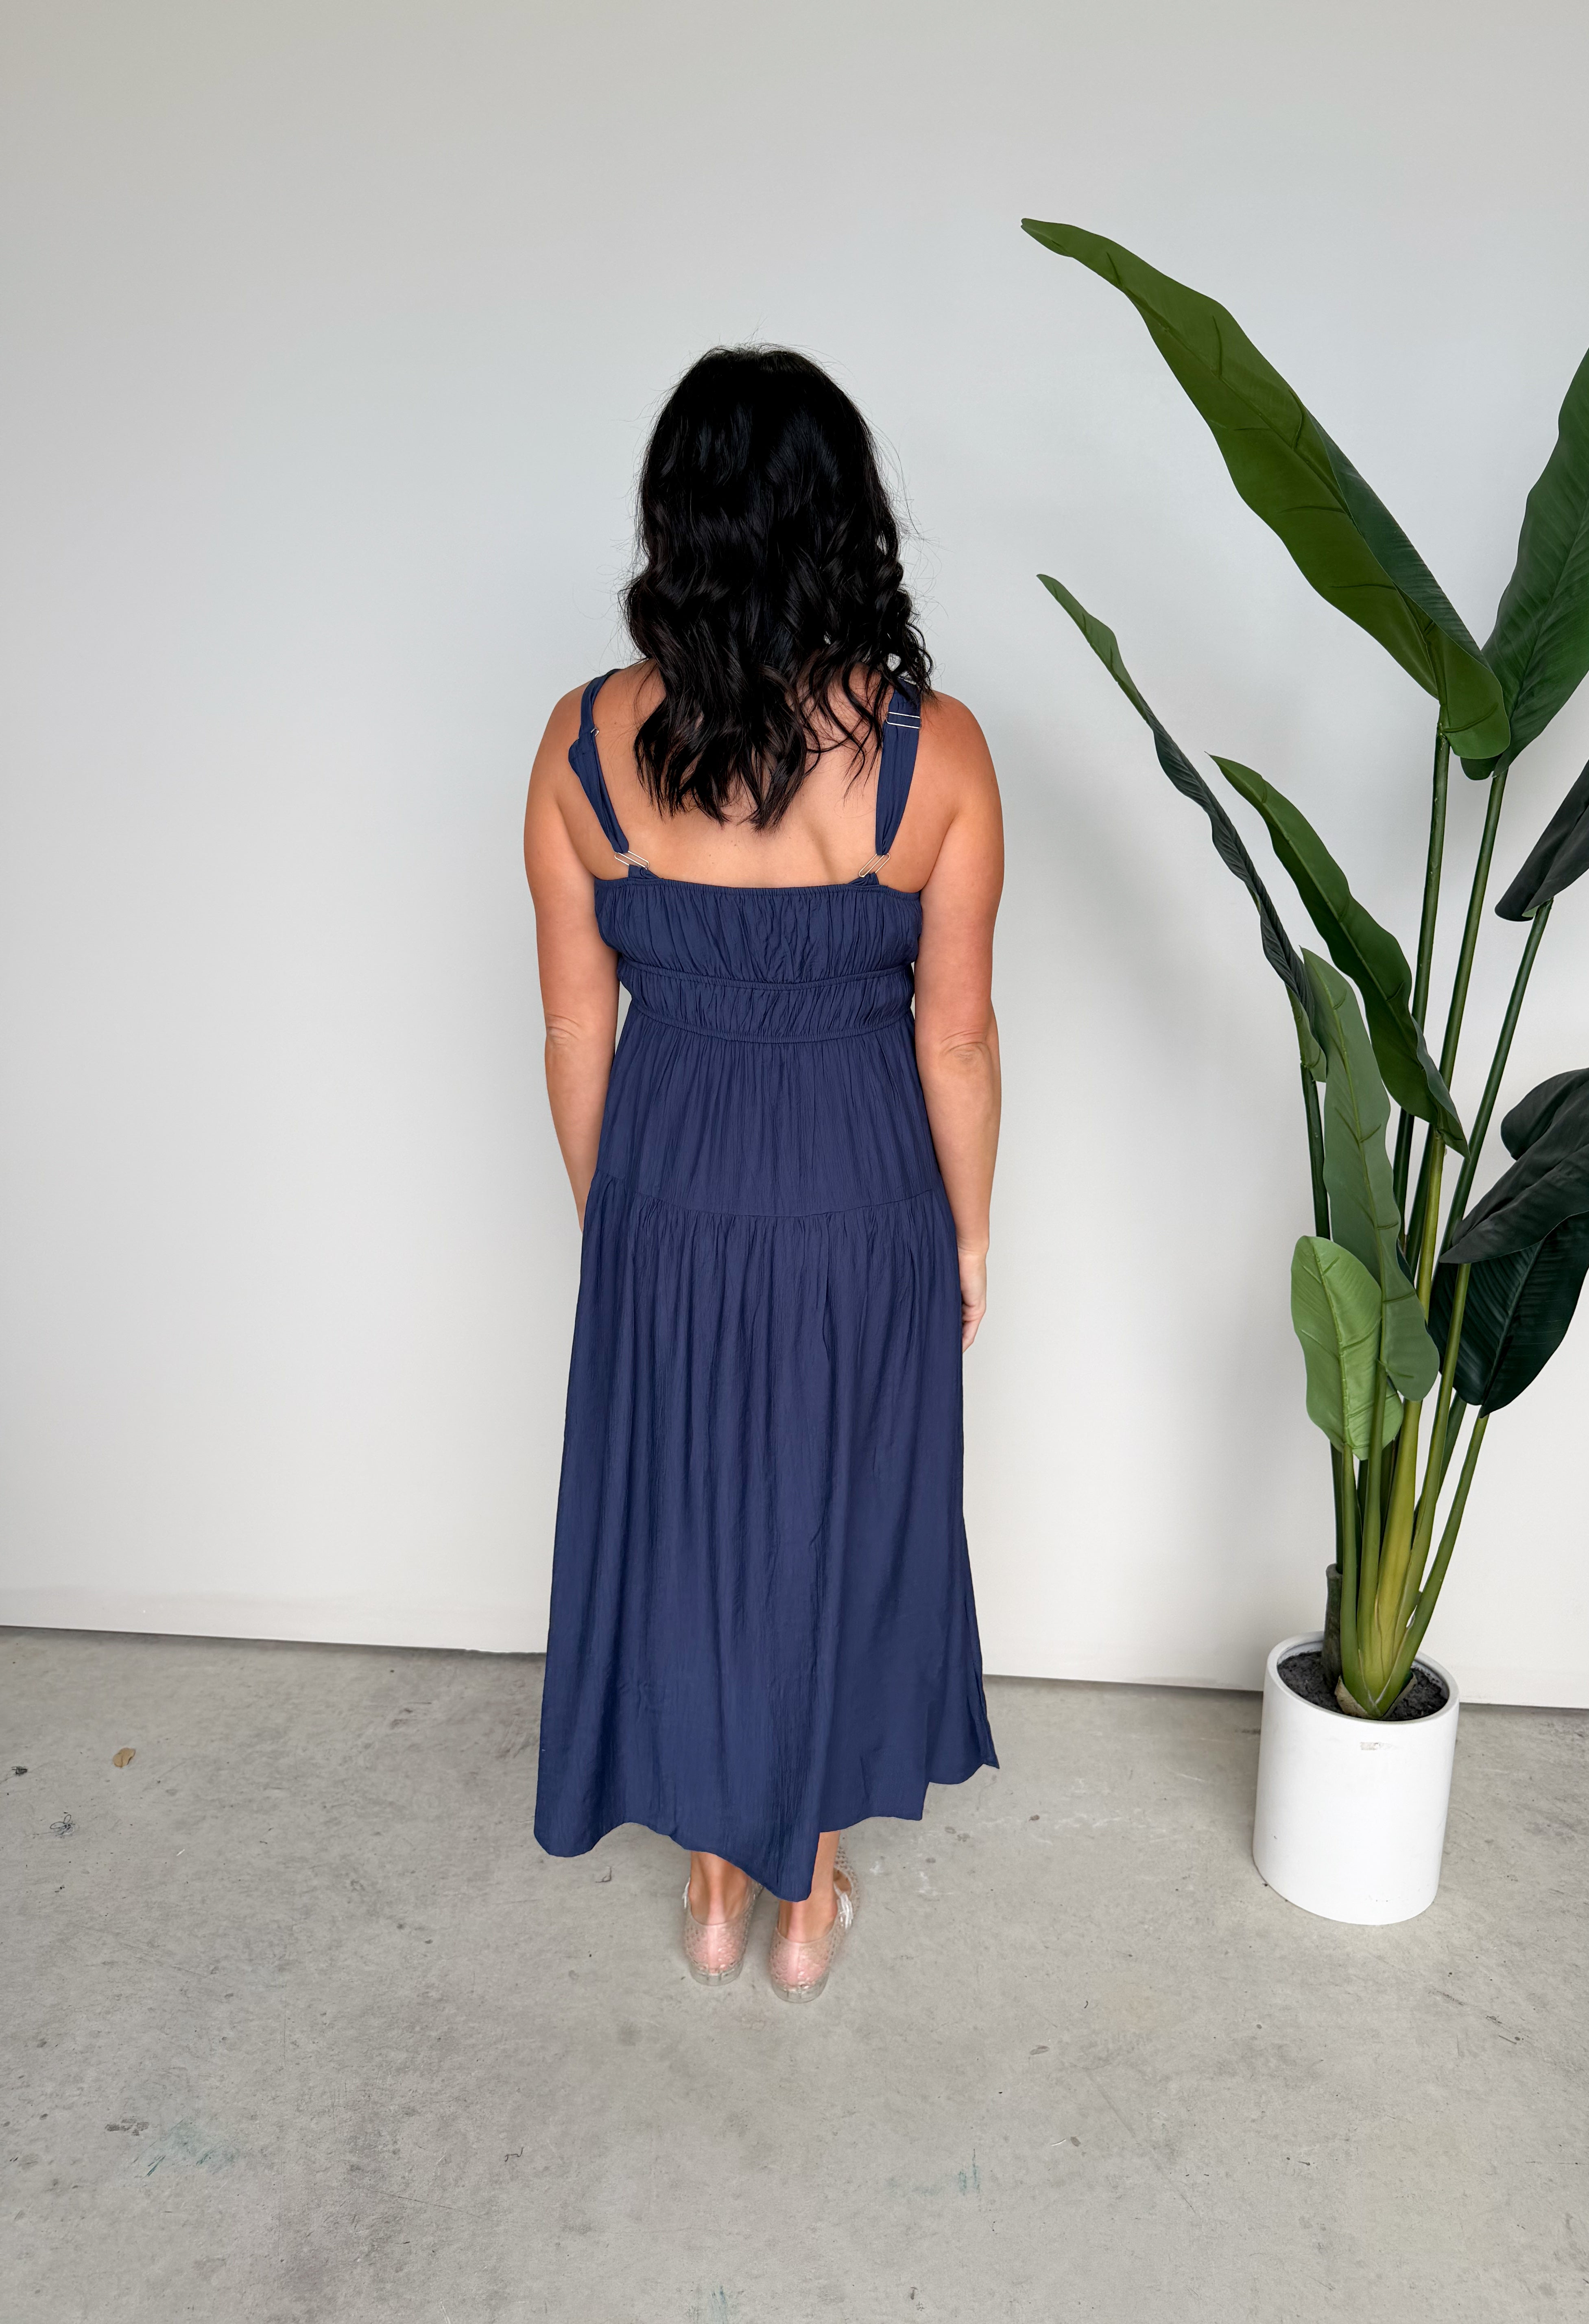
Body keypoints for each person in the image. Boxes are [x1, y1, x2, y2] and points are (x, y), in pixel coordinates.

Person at [523, 346, 1002, 2001]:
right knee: (839, 1521)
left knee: (691, 1527)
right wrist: (971, 1237)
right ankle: (807, 1907)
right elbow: (956, 1038)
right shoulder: (935, 754)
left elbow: (572, 1029)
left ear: (676, 523)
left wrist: (618, 1221)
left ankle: (714, 1895)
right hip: (861, 1192)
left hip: (667, 1182)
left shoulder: (581, 744)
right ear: (846, 520)